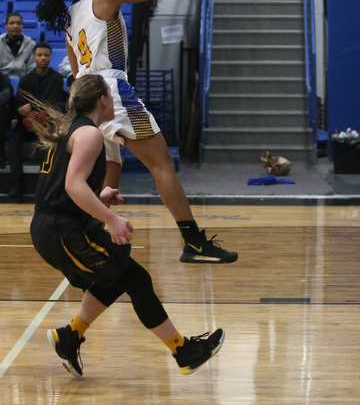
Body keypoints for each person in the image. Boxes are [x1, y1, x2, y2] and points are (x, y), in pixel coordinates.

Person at [35, 0, 238, 264]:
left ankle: (95, 237)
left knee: (109, 170)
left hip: (85, 98)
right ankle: (195, 243)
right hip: (110, 91)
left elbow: (75, 70)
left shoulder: (69, 19)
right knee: (162, 165)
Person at [30, 74, 225, 378]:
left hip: (53, 225)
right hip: (62, 229)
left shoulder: (73, 128)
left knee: (118, 276)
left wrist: (100, 195)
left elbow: (63, 184)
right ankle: (183, 351)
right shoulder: (90, 134)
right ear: (104, 100)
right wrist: (112, 219)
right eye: (111, 93)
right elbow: (71, 185)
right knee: (137, 280)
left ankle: (70, 336)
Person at [8, 41, 65, 197]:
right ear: (34, 58)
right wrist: (28, 114)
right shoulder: (26, 79)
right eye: (39, 55)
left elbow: (52, 101)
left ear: (50, 57)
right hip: (28, 123)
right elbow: (19, 104)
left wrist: (32, 106)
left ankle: (44, 185)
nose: (43, 58)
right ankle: (17, 184)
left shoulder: (56, 78)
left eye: (46, 55)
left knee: (49, 143)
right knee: (14, 140)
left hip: (48, 123)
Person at [0, 12, 36, 79]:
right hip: (0, 81)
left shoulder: (31, 44)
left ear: (22, 26)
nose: (15, 26)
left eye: (18, 23)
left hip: (24, 82)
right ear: (6, 26)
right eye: (12, 23)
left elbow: (33, 67)